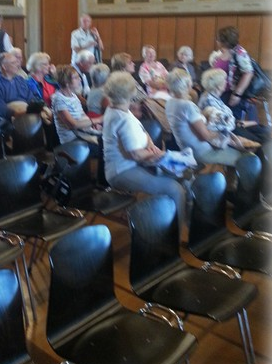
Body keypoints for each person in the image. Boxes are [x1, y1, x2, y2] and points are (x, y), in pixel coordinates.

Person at [102, 71, 186, 231]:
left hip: (135, 164)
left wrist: (151, 144)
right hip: (122, 171)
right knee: (175, 189)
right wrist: (161, 154)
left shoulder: (119, 109)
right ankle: (175, 234)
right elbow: (136, 154)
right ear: (129, 93)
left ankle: (166, 219)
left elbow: (142, 130)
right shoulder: (121, 117)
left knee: (182, 175)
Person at [165, 68, 243, 167]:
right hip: (202, 152)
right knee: (244, 158)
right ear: (188, 85)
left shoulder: (169, 103)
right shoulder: (187, 106)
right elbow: (205, 136)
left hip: (186, 148)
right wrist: (221, 132)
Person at [198, 68, 271, 145]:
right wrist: (240, 124)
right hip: (226, 133)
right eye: (224, 80)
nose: (226, 82)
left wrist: (240, 123)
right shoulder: (209, 100)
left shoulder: (213, 96)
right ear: (218, 86)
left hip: (232, 126)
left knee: (264, 132)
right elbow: (221, 124)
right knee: (259, 139)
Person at [211, 25, 258, 121]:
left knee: (230, 122)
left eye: (218, 38)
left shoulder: (239, 52)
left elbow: (248, 73)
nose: (216, 40)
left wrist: (237, 94)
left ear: (224, 40)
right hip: (219, 93)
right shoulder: (221, 52)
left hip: (230, 94)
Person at [51, 65, 103, 151]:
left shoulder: (73, 96)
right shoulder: (58, 99)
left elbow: (82, 115)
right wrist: (98, 120)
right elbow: (73, 125)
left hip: (82, 133)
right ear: (66, 83)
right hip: (71, 142)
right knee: (105, 147)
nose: (80, 80)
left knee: (108, 139)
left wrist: (92, 124)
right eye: (76, 78)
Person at [0, 52, 36, 125]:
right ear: (4, 67)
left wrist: (34, 109)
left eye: (17, 62)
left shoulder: (20, 79)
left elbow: (30, 97)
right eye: (13, 63)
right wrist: (16, 113)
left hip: (25, 114)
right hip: (3, 119)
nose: (17, 65)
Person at [110, 52, 147, 118]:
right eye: (130, 63)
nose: (134, 64)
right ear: (122, 68)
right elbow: (129, 105)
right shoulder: (121, 82)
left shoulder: (128, 78)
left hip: (144, 108)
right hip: (134, 115)